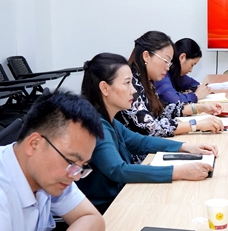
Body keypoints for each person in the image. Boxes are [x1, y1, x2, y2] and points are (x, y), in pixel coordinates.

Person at [0, 91, 123, 231]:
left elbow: (92, 219)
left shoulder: (46, 172)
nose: (76, 176)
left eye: (82, 166)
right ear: (34, 144)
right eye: (71, 161)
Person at [78, 53, 219, 214]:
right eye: (127, 83)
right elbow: (118, 170)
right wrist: (179, 171)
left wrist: (186, 147)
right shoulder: (95, 125)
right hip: (108, 210)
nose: (133, 91)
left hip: (122, 198)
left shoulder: (106, 119)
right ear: (104, 88)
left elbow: (140, 142)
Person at [117, 31, 224, 137]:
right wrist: (196, 124)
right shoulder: (130, 85)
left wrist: (200, 108)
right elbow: (152, 128)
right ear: (146, 56)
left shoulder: (146, 80)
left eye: (170, 62)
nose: (168, 67)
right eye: (166, 61)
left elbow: (163, 111)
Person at [155, 38, 212, 104]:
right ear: (182, 57)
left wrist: (190, 92)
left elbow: (196, 85)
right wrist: (196, 95)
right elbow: (174, 100)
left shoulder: (177, 74)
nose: (191, 70)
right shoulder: (162, 73)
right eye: (192, 65)